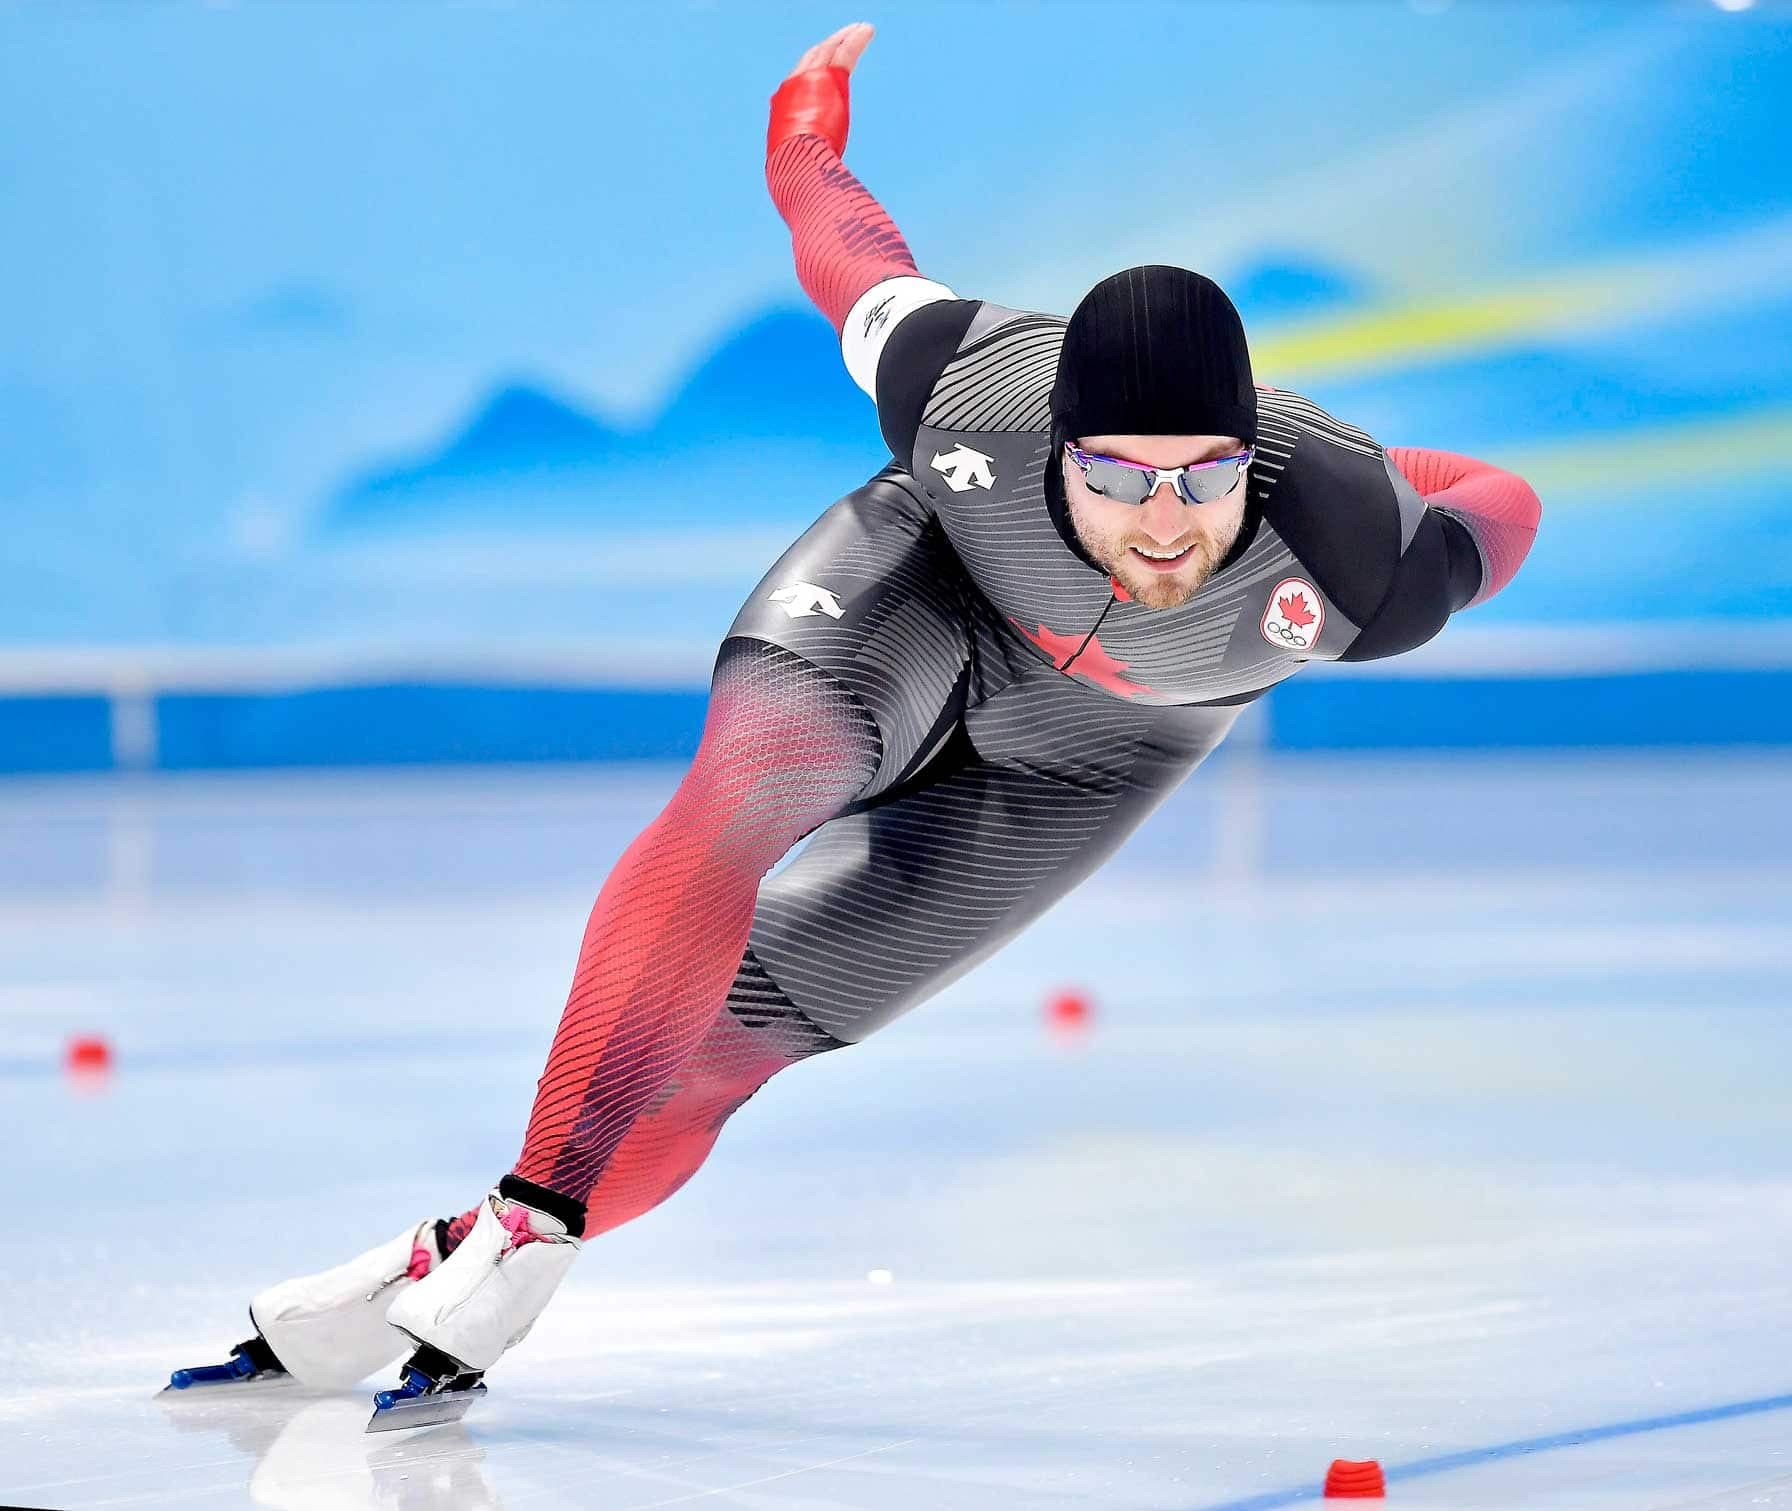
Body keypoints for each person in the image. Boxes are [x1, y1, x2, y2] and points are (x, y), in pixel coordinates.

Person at [167, 21, 1540, 1428]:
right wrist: (804, 127)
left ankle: (437, 1260)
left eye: (1207, 480)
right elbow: (842, 246)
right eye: (1120, 476)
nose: (1165, 525)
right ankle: (532, 1219)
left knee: (721, 1055)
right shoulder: (964, 383)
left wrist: (1380, 466)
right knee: (762, 774)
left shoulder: (1356, 561)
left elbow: (1503, 499)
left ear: (1257, 460)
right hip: (923, 591)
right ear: (1053, 443)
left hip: (1109, 748)